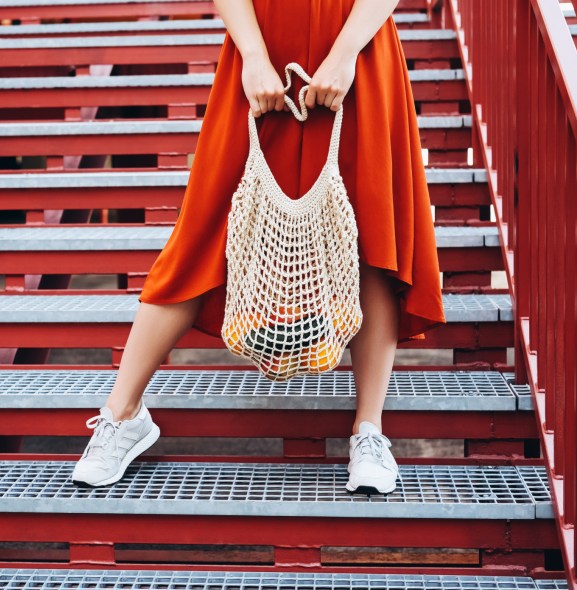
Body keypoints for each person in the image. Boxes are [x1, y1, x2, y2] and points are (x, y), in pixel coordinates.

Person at [70, 0, 446, 494]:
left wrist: (346, 51)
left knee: (370, 233)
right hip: (262, 49)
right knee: (205, 231)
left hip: (358, 48)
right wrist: (251, 53)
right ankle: (123, 414)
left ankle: (368, 432)